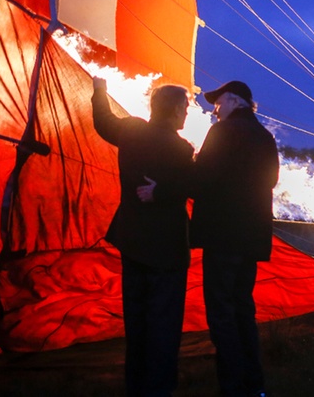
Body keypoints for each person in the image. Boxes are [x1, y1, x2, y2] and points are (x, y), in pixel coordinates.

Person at [139, 80, 279, 397]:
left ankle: (232, 387)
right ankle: (254, 385)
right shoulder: (265, 138)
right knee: (244, 311)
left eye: (218, 103)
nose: (214, 110)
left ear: (234, 101)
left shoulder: (223, 133)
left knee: (221, 315)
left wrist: (159, 190)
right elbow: (270, 180)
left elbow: (200, 179)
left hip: (223, 238)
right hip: (251, 242)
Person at [91, 77, 195, 397]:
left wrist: (99, 91)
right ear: (176, 110)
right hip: (167, 247)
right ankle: (160, 387)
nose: (187, 114)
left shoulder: (132, 131)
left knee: (136, 320)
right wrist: (162, 193)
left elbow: (103, 122)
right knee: (164, 323)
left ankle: (136, 385)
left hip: (132, 240)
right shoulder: (181, 148)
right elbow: (192, 186)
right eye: (186, 108)